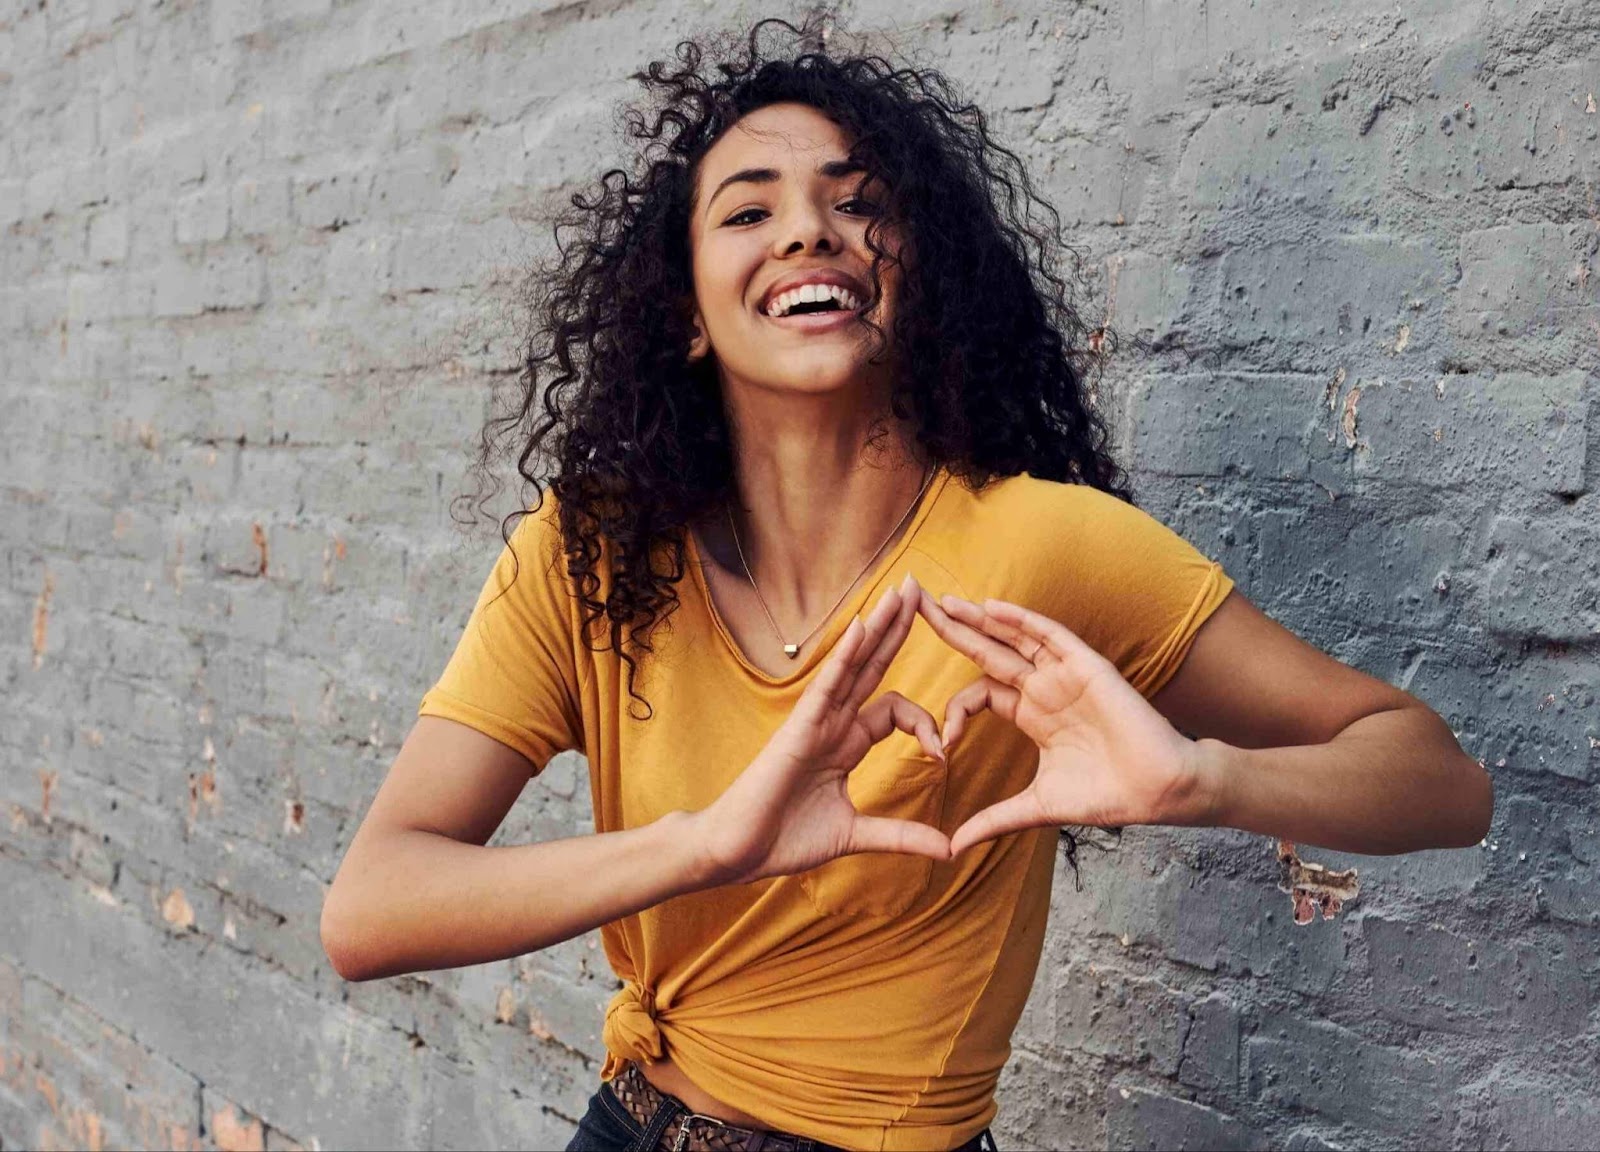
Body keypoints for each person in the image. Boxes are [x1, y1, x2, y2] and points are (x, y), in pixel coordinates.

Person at [319, 17, 1494, 1152]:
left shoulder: (1046, 548)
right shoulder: (594, 556)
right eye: (749, 210)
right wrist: (709, 842)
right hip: (629, 1125)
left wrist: (1205, 780)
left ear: (917, 272)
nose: (808, 231)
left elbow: (1440, 784)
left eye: (859, 202)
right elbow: (371, 910)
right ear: (684, 310)